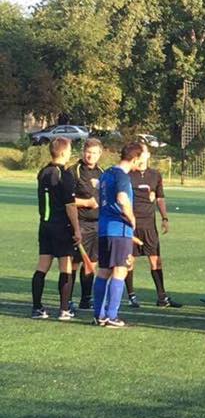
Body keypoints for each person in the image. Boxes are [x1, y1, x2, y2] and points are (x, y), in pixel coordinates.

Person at [92, 142, 147, 327]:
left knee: (103, 271)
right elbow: (122, 198)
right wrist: (131, 218)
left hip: (104, 228)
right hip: (119, 229)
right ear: (135, 158)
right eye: (141, 158)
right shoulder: (122, 175)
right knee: (120, 269)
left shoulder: (106, 173)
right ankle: (111, 316)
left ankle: (99, 315)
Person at [31, 137, 82, 320]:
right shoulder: (64, 174)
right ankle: (64, 309)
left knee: (42, 266)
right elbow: (70, 205)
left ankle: (37, 308)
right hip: (61, 226)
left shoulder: (43, 171)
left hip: (45, 225)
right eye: (69, 150)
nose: (70, 154)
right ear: (62, 152)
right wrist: (77, 229)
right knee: (65, 266)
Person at [125, 151, 181, 308]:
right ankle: (131, 296)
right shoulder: (128, 175)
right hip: (132, 224)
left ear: (148, 155)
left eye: (143, 153)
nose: (141, 156)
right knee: (130, 260)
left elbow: (160, 198)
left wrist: (165, 218)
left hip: (149, 225)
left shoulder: (155, 175)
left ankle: (162, 297)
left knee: (156, 260)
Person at [71, 138, 104, 311]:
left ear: (100, 154)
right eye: (88, 152)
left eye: (94, 153)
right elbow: (66, 200)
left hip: (97, 224)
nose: (90, 156)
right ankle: (67, 299)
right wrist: (86, 203)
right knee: (74, 262)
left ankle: (86, 299)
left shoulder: (102, 173)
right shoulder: (74, 171)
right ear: (83, 152)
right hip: (80, 223)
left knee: (92, 262)